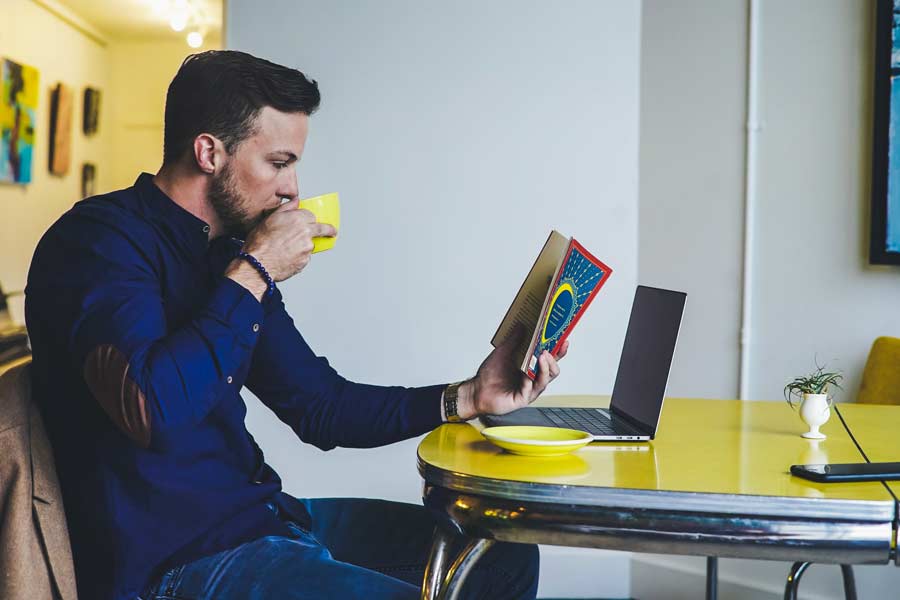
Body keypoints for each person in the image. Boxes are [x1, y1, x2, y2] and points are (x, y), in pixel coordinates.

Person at [24, 50, 567, 600]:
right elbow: (150, 407)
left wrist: (470, 396)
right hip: (175, 561)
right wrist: (255, 270)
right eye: (278, 163)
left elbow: (321, 408)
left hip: (264, 519)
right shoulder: (98, 243)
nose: (292, 189)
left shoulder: (226, 256)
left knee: (501, 556)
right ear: (209, 152)